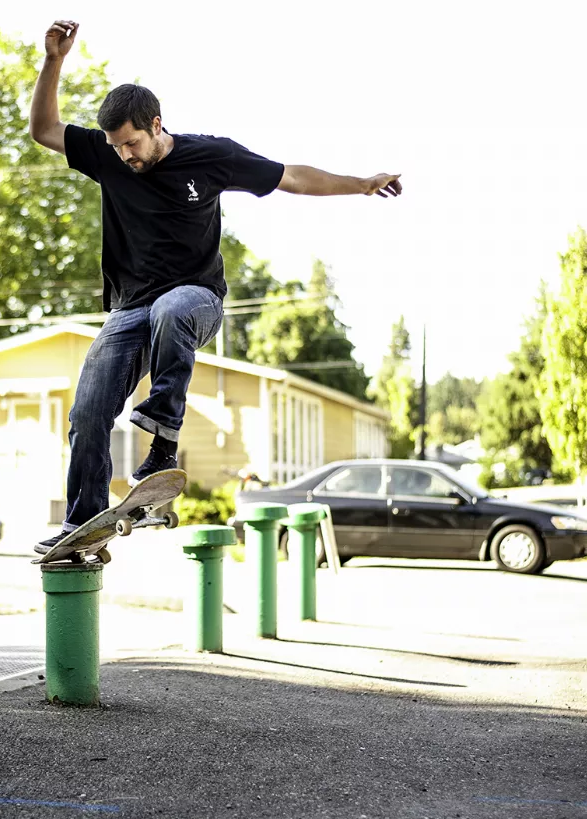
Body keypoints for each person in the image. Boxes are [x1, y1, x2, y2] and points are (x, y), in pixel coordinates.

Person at [30, 19, 403, 554]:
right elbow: (44, 129)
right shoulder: (108, 156)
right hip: (130, 309)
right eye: (116, 148)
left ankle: (164, 443)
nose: (125, 157)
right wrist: (53, 61)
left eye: (132, 143)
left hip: (196, 300)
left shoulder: (211, 156)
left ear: (156, 125)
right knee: (87, 411)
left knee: (172, 309)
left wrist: (360, 184)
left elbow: (291, 176)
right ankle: (83, 524)